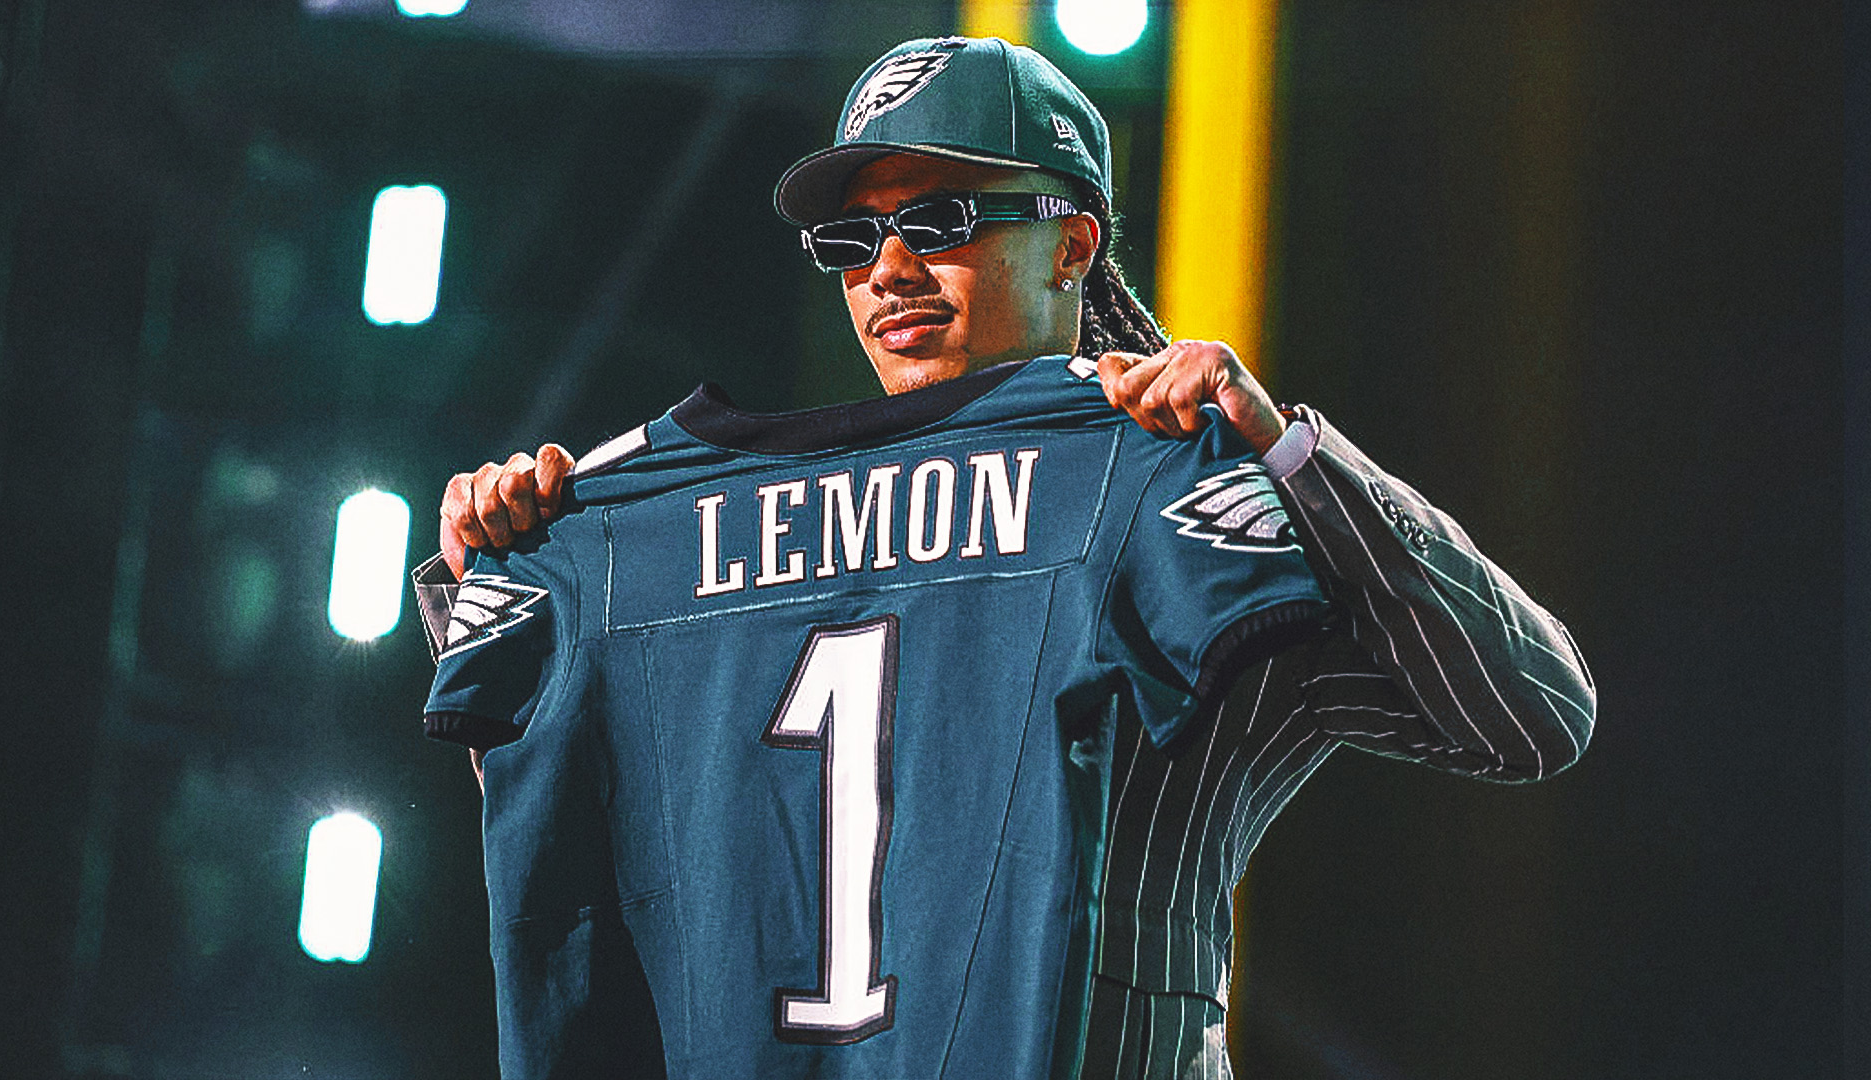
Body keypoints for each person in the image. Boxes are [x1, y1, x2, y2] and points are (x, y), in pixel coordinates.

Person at [420, 36, 1594, 1080]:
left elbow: (1532, 713)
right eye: (850, 239)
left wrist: (1290, 456)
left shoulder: (1161, 491)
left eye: (938, 222)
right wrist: (504, 581)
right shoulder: (692, 524)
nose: (888, 271)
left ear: (1073, 245)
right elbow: (593, 831)